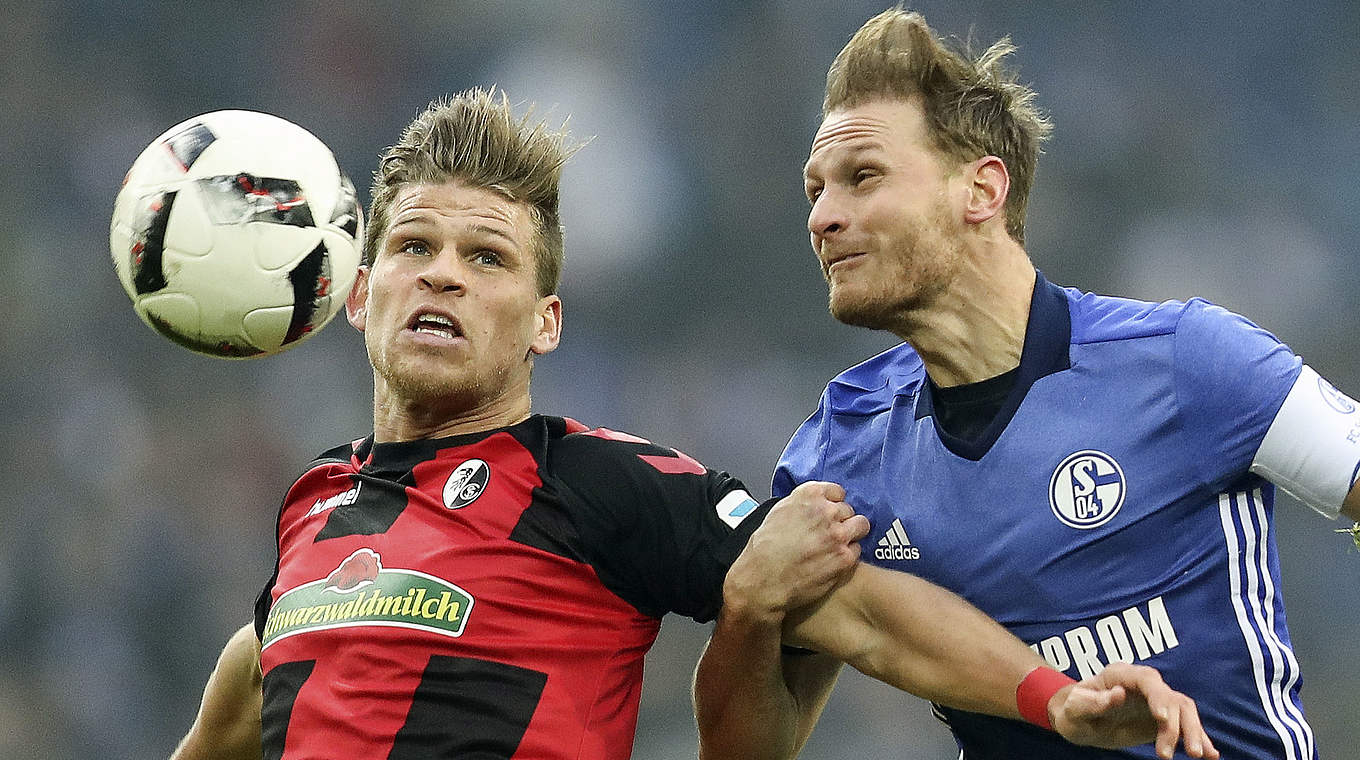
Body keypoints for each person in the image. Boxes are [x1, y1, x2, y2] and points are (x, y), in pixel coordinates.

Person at [167, 87, 1217, 760]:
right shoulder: (314, 511)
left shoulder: (598, 485)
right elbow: (255, 681)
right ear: (358, 292)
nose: (442, 269)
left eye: (485, 257)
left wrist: (1052, 697)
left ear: (545, 323)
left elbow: (859, 609)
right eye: (413, 247)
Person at [709, 7, 1360, 760]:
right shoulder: (839, 454)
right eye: (814, 191)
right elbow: (749, 749)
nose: (823, 217)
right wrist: (746, 611)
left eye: (862, 178)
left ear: (981, 190)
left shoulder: (1189, 361)